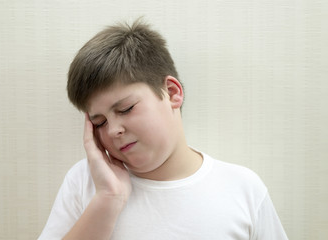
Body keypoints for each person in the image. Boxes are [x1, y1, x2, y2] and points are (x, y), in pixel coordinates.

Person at [38, 19, 288, 240]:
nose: (113, 130)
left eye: (125, 109)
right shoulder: (84, 182)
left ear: (172, 93)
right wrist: (108, 199)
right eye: (100, 122)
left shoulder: (242, 188)